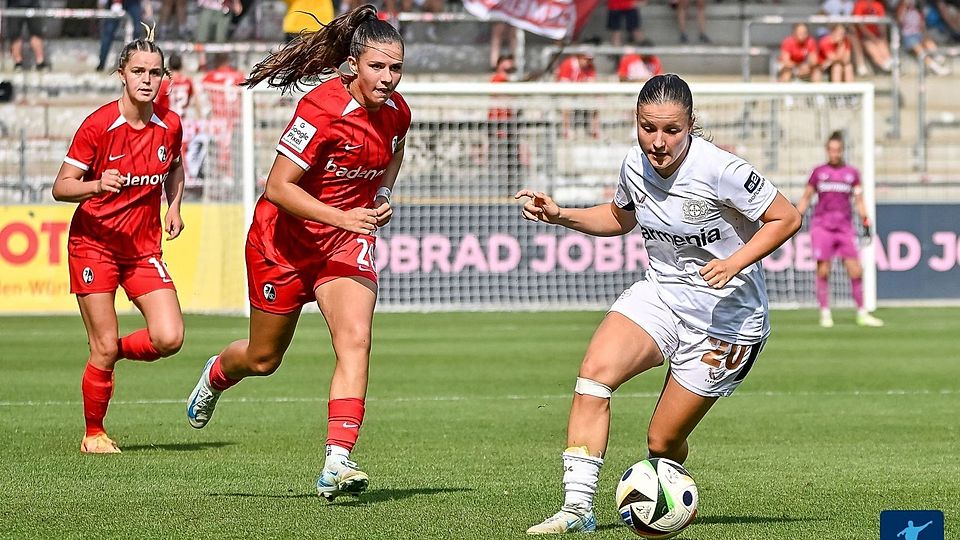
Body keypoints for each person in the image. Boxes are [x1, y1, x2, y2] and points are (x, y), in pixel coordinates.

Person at [518, 74, 801, 534]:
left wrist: (734, 262)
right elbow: (620, 217)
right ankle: (576, 509)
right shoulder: (634, 164)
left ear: (691, 124)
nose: (659, 142)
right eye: (649, 128)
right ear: (636, 121)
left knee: (663, 440)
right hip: (663, 294)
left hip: (726, 319)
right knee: (594, 374)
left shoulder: (722, 170)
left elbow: (787, 217)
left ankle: (670, 490)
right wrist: (561, 214)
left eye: (672, 130)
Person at [185, 5, 410, 501]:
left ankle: (337, 459)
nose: (389, 78)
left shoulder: (398, 113)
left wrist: (381, 197)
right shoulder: (319, 109)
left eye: (396, 68)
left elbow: (394, 151)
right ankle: (217, 373)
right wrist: (344, 216)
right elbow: (278, 187)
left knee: (356, 339)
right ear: (352, 65)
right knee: (264, 359)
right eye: (378, 66)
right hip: (281, 245)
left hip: (345, 245)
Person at [52, 26, 186, 454]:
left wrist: (174, 206)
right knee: (102, 345)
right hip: (94, 244)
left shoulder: (170, 125)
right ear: (122, 74)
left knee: (169, 337)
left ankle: (111, 351)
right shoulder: (98, 125)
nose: (148, 80)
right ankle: (94, 433)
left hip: (142, 248)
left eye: (156, 73)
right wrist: (94, 185)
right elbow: (61, 186)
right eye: (139, 71)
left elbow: (176, 168)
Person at [796, 131, 884, 328]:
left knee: (855, 269)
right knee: (823, 270)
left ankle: (862, 312)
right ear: (827, 151)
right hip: (822, 227)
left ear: (842, 151)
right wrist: (795, 218)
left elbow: (859, 200)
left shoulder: (851, 174)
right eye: (831, 150)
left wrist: (865, 220)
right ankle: (825, 313)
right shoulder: (818, 172)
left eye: (837, 150)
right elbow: (806, 197)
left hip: (845, 228)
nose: (834, 154)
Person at [897, 0, 951, 76]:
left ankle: (939, 59)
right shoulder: (902, 8)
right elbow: (899, 19)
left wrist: (924, 35)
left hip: (918, 35)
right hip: (907, 37)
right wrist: (904, 5)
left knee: (929, 43)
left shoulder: (918, 10)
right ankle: (936, 68)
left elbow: (922, 26)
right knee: (919, 49)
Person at [96, 0, 148, 72]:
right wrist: (101, 3)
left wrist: (146, 6)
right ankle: (101, 64)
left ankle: (135, 61)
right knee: (108, 32)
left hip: (132, 2)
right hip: (114, 2)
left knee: (138, 30)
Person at [5, 0, 50, 70]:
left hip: (33, 5)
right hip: (14, 6)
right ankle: (18, 63)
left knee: (36, 34)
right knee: (15, 36)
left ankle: (40, 63)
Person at [852, 0, 893, 72]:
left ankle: (889, 61)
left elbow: (882, 24)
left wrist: (881, 35)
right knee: (870, 45)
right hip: (863, 36)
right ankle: (883, 63)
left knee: (881, 43)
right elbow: (860, 25)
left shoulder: (878, 5)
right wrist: (871, 36)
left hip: (876, 35)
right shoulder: (859, 4)